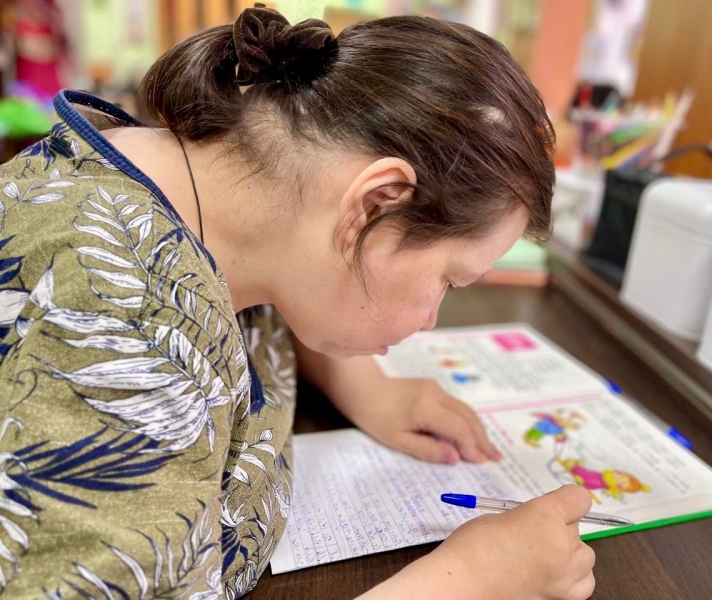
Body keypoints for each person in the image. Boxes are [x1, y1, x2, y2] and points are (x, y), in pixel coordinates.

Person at [0, 5, 595, 599]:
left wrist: (366, 387)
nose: (431, 320)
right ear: (376, 204)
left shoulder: (216, 196)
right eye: (449, 280)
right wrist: (473, 579)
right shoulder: (110, 321)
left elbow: (285, 272)